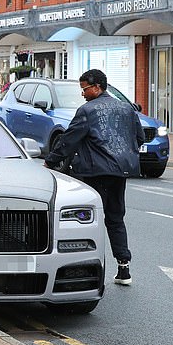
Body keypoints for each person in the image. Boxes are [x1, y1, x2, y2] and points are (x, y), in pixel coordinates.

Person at [43, 69, 145, 286]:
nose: (83, 94)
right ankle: (124, 268)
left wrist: (50, 161)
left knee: (90, 220)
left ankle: (88, 269)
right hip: (120, 172)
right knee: (116, 218)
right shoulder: (126, 108)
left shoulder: (87, 111)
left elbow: (69, 139)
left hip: (93, 172)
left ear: (97, 87)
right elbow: (140, 137)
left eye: (85, 89)